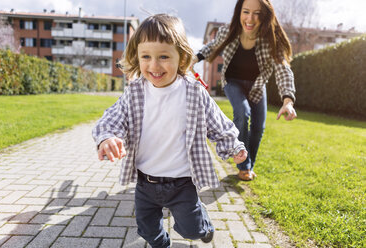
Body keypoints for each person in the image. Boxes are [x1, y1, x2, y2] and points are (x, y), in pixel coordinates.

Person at [92, 14, 248, 248]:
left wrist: (233, 147)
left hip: (182, 183)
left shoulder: (194, 93)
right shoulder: (135, 92)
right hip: (146, 182)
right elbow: (112, 117)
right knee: (147, 229)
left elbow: (218, 123)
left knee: (191, 230)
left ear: (182, 57)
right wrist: (107, 137)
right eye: (146, 57)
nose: (154, 65)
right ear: (137, 56)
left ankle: (202, 223)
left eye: (164, 56)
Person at [192, 0, 297, 181]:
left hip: (257, 85)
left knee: (258, 127)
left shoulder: (271, 39)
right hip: (233, 82)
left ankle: (249, 166)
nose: (250, 18)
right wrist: (195, 58)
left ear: (265, 16)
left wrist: (287, 100)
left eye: (257, 13)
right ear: (239, 12)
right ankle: (243, 166)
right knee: (242, 112)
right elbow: (212, 47)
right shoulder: (228, 31)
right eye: (246, 12)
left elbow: (283, 69)